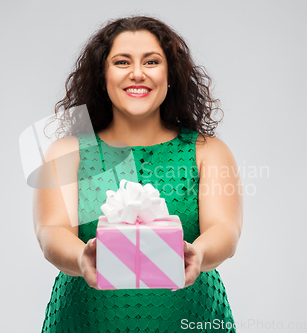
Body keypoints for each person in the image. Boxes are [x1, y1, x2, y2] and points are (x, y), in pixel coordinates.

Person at [34, 15, 243, 333]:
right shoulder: (67, 153)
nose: (137, 73)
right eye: (121, 62)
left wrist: (197, 254)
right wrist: (82, 258)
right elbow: (51, 230)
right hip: (85, 321)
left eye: (151, 61)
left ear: (169, 74)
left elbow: (225, 228)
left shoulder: (208, 152)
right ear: (102, 75)